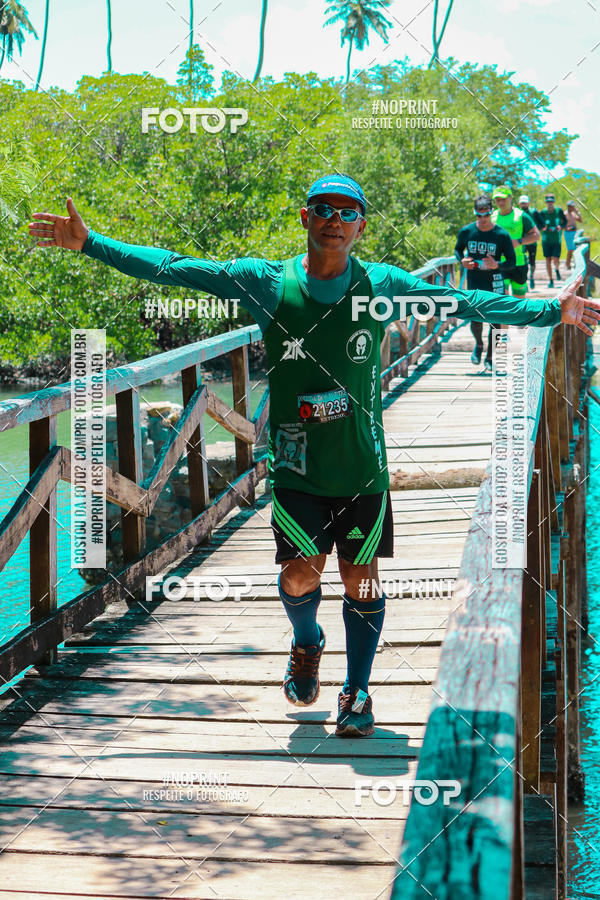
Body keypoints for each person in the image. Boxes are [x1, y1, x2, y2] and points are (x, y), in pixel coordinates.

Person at [28, 174, 599, 738]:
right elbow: (175, 267)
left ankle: (357, 690)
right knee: (300, 575)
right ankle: (307, 640)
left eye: (348, 212)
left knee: (361, 580)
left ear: (361, 227)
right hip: (297, 466)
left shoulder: (380, 286)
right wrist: (91, 243)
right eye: (324, 209)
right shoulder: (267, 283)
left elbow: (467, 301)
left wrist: (553, 311)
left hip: (362, 468)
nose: (335, 220)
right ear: (305, 217)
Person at [455, 194, 516, 373]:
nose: (483, 219)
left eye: (486, 215)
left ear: (491, 212)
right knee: (475, 319)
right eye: (479, 215)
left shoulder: (501, 235)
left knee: (495, 321)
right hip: (475, 281)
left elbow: (512, 262)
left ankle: (489, 357)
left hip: (495, 282)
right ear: (475, 213)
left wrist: (497, 265)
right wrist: (462, 260)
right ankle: (479, 344)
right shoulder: (466, 232)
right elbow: (458, 250)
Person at [491, 186, 540, 298]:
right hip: (499, 263)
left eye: (503, 199)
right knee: (502, 298)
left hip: (518, 263)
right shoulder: (492, 217)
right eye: (497, 200)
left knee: (519, 300)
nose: (501, 203)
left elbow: (536, 235)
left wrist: (519, 241)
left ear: (510, 198)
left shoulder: (521, 215)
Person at [537, 193, 567, 287]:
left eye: (551, 201)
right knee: (548, 259)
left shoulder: (559, 211)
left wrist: (560, 226)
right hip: (546, 240)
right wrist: (542, 227)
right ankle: (551, 280)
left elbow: (565, 221)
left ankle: (557, 269)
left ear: (553, 202)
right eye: (548, 201)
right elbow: (537, 223)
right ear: (546, 202)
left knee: (555, 259)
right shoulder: (543, 212)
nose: (550, 203)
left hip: (556, 240)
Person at [518, 194, 539, 289]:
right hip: (522, 242)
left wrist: (535, 231)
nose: (524, 205)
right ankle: (525, 280)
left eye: (525, 203)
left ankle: (532, 277)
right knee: (524, 262)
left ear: (528, 203)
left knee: (532, 262)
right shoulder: (517, 214)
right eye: (522, 203)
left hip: (532, 242)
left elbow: (542, 224)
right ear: (519, 204)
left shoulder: (533, 212)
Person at [564, 200, 583, 270]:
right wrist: (566, 227)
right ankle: (567, 263)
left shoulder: (574, 213)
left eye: (572, 206)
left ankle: (575, 264)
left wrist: (578, 212)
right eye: (569, 206)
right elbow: (562, 223)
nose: (571, 208)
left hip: (574, 232)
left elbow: (580, 220)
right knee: (570, 249)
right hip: (568, 232)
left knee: (575, 248)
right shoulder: (565, 214)